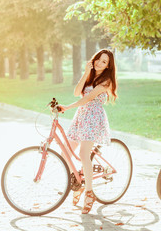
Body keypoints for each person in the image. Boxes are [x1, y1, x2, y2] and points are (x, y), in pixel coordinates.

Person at [59, 49, 117, 214]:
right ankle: (77, 183)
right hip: (81, 116)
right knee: (65, 152)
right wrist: (86, 72)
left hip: (93, 118)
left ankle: (89, 193)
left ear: (108, 66)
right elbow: (77, 93)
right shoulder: (90, 75)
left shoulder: (106, 81)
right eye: (99, 59)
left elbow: (87, 98)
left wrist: (67, 107)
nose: (100, 63)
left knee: (84, 154)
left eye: (104, 62)